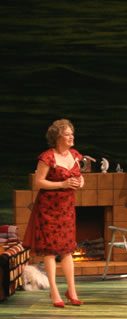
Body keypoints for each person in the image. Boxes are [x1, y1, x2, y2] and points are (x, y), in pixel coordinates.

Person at [23, 119, 85, 308]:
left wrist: (80, 182)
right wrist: (62, 184)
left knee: (67, 249)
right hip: (48, 209)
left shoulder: (75, 155)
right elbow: (38, 182)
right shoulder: (47, 157)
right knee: (50, 251)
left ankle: (72, 291)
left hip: (67, 209)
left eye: (72, 133)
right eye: (67, 134)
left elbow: (80, 176)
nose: (71, 137)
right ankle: (54, 292)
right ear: (58, 137)